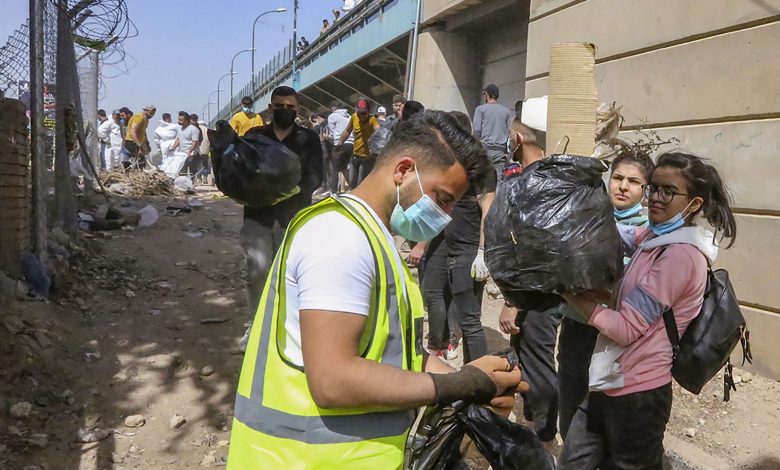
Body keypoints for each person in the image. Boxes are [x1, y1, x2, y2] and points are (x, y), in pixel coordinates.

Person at [227, 110, 525, 468]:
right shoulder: (340, 238)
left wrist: (475, 383)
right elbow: (333, 380)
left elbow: (397, 357)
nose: (444, 214)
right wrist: (456, 388)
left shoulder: (373, 238)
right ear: (403, 171)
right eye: (442, 198)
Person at [558, 152, 737, 469]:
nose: (655, 197)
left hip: (638, 395)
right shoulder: (655, 239)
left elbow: (626, 328)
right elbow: (619, 236)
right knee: (575, 461)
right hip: (608, 379)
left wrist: (568, 292)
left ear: (693, 204)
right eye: (653, 188)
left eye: (668, 191)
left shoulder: (679, 256)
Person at [556, 149, 655, 441]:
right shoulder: (584, 216)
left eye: (634, 182)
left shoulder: (648, 233)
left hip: (616, 336)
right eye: (618, 178)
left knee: (607, 410)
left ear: (646, 190)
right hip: (577, 325)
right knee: (571, 401)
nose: (623, 186)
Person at [238, 86, 324, 351]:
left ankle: (287, 328)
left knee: (290, 274)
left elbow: (315, 175)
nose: (285, 111)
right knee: (257, 272)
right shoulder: (254, 136)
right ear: (270, 108)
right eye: (279, 106)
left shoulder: (308, 139)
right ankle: (254, 326)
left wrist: (292, 191)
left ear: (297, 109)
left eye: (290, 107)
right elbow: (241, 170)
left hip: (293, 216)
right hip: (258, 215)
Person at [497, 98, 562, 450]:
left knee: (538, 363)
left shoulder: (531, 183)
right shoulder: (556, 177)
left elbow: (528, 249)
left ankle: (542, 435)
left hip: (535, 293)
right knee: (528, 356)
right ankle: (534, 423)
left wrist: (512, 301)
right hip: (548, 289)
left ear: (519, 138)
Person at [418, 111, 496, 363]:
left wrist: (483, 253)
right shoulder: (447, 165)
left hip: (468, 249)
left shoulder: (481, 168)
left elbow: (488, 211)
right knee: (432, 292)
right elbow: (436, 208)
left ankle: (475, 372)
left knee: (469, 317)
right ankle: (437, 346)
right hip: (444, 242)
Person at [338, 98, 380, 189]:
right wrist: (340, 143)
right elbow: (347, 131)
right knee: (352, 183)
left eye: (363, 113)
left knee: (361, 184)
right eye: (359, 113)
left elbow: (379, 132)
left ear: (368, 112)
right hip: (355, 156)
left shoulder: (372, 120)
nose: (361, 116)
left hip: (367, 158)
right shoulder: (354, 117)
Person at [473, 84, 513, 177]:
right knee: (498, 181)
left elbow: (477, 130)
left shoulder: (480, 109)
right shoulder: (506, 111)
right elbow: (510, 132)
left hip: (484, 150)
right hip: (500, 152)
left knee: (484, 180)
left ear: (486, 94)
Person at [327, 100, 353, 194]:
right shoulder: (349, 116)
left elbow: (332, 133)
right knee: (343, 167)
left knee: (334, 167)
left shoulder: (332, 116)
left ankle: (333, 191)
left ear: (334, 108)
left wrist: (327, 138)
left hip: (340, 143)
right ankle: (353, 187)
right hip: (350, 144)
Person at [123, 104, 155, 170]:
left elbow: (143, 132)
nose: (151, 115)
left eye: (153, 114)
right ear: (146, 110)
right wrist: (139, 145)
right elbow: (133, 131)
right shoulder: (139, 117)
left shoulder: (146, 119)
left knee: (141, 162)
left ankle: (136, 173)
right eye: (150, 113)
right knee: (139, 161)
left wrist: (147, 143)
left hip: (138, 142)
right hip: (131, 141)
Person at [169, 111, 200, 177]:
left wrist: (190, 151)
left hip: (192, 154)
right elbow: (178, 140)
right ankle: (183, 184)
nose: (178, 121)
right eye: (178, 119)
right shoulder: (180, 129)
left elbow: (195, 142)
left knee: (192, 171)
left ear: (186, 120)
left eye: (181, 120)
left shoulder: (193, 129)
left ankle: (192, 183)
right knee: (182, 170)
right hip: (182, 154)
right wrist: (173, 148)